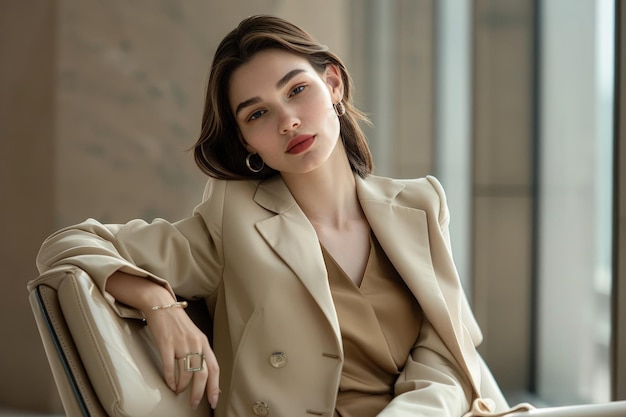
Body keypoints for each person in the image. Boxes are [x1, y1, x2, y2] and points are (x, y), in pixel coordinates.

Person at [36, 15, 532, 417]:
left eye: (297, 90)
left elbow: (448, 351)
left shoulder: (420, 205)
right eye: (257, 114)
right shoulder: (232, 220)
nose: (287, 121)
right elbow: (68, 243)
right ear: (246, 142)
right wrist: (159, 303)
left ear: (333, 84)